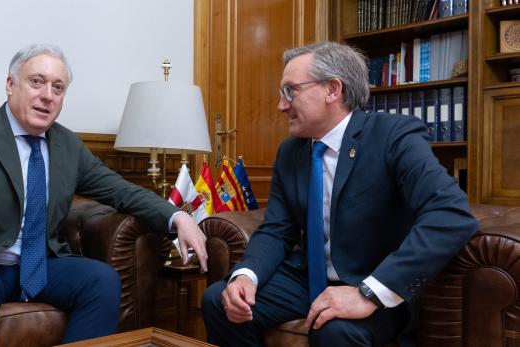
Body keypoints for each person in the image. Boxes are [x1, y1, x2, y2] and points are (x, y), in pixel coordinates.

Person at [0, 43, 208, 347]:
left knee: (102, 281)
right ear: (10, 85)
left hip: (39, 266)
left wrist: (177, 216)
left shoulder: (67, 146)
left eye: (58, 87)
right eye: (37, 82)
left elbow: (120, 190)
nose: (47, 95)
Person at [201, 41, 478, 346]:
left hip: (373, 279)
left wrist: (369, 292)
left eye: (290, 91)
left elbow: (451, 214)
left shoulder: (393, 135)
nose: (281, 105)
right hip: (307, 278)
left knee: (334, 332)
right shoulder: (291, 152)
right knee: (219, 300)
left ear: (333, 90)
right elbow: (277, 230)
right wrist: (247, 275)